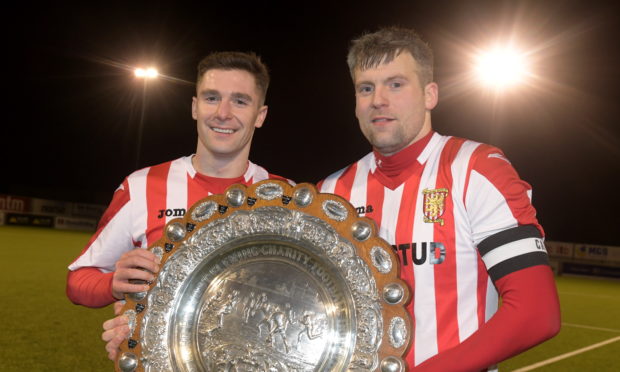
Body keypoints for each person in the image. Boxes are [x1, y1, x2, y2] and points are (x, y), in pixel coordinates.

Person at [318, 27, 560, 371]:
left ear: (430, 95)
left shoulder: (476, 170)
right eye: (366, 88)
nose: (378, 100)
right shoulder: (330, 192)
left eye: (396, 84)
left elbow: (537, 312)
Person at [66, 51, 289, 356]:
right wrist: (114, 285)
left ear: (260, 115)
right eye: (212, 98)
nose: (223, 113)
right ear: (195, 107)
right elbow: (78, 280)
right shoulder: (143, 186)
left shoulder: (283, 197)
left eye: (240, 101)